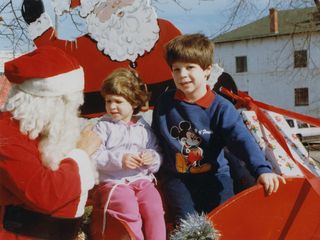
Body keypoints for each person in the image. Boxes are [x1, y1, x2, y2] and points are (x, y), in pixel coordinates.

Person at [152, 33, 286, 224]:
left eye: (190, 67)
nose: (182, 75)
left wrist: (262, 170)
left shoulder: (221, 107)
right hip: (178, 179)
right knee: (189, 228)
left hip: (215, 176)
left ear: (207, 70)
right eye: (176, 69)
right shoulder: (165, 103)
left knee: (223, 224)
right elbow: (156, 139)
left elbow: (241, 140)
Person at [0, 46, 101, 240]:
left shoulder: (41, 130)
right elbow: (45, 194)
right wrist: (81, 153)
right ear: (40, 101)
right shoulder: (6, 136)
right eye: (65, 103)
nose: (71, 112)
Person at [89, 68, 165, 240]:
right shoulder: (103, 126)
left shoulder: (143, 127)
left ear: (133, 103)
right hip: (114, 183)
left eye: (118, 101)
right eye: (108, 101)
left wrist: (151, 158)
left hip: (141, 181)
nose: (112, 106)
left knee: (154, 206)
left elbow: (157, 152)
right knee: (127, 205)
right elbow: (94, 156)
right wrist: (119, 160)